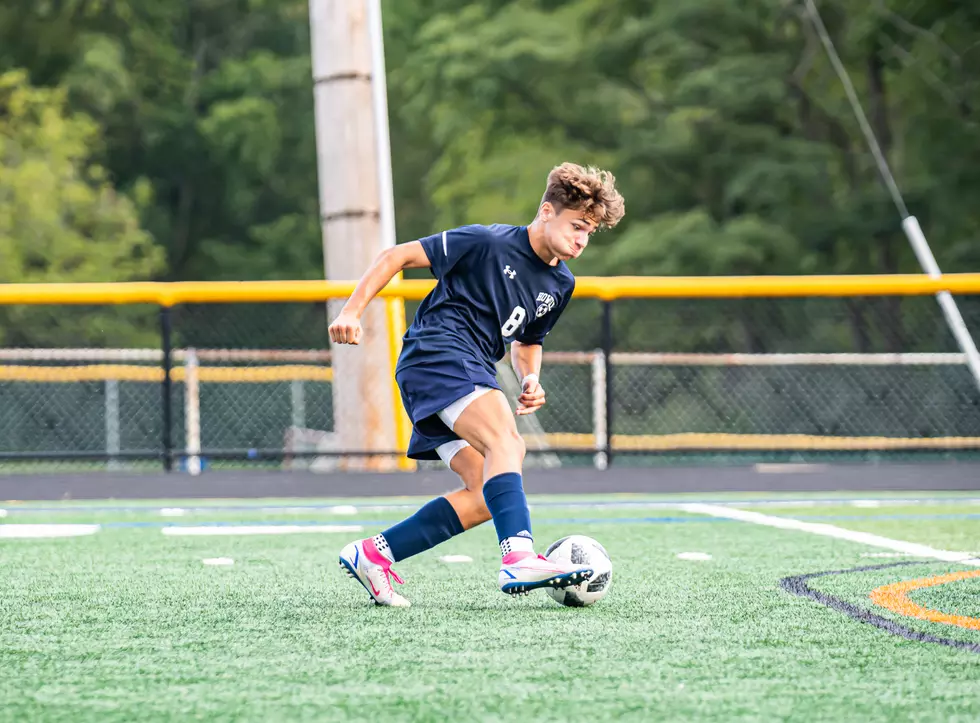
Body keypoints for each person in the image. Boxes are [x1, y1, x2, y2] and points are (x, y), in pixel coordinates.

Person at [331, 162, 625, 606]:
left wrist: (530, 377)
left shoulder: (561, 283)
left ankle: (374, 554)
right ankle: (519, 556)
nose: (582, 239)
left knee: (485, 494)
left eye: (590, 232)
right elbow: (396, 256)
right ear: (547, 211)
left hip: (460, 369)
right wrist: (352, 310)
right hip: (438, 354)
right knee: (509, 443)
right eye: (577, 226)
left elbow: (529, 339)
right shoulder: (487, 241)